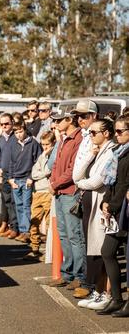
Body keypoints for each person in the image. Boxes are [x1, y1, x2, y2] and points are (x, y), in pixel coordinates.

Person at [72, 118, 116, 308]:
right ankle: (98, 291)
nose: (89, 136)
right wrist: (90, 155)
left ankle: (106, 294)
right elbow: (76, 175)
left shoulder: (111, 151)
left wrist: (80, 184)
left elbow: (97, 181)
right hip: (90, 206)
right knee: (94, 250)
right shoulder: (97, 151)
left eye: (93, 132)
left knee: (102, 252)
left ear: (106, 133)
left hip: (101, 206)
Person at [48, 112, 85, 289]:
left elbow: (73, 170)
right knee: (63, 234)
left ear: (69, 120)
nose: (55, 124)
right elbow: (55, 164)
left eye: (58, 120)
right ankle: (67, 273)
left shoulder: (79, 139)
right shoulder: (63, 139)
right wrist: (53, 182)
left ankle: (80, 275)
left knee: (75, 236)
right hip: (59, 192)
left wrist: (55, 183)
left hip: (71, 193)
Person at [97, 115, 129, 316]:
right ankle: (117, 299)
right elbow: (111, 181)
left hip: (125, 210)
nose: (116, 135)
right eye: (115, 131)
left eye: (120, 131)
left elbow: (126, 183)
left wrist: (114, 205)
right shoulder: (118, 151)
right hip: (116, 209)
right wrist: (105, 202)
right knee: (107, 252)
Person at [25, 131, 56, 261]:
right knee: (34, 221)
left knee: (49, 224)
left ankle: (50, 252)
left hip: (48, 193)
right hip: (37, 192)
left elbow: (50, 170)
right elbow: (34, 172)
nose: (44, 147)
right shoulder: (42, 155)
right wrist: (41, 174)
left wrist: (39, 174)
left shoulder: (54, 155)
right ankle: (34, 248)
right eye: (43, 144)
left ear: (53, 142)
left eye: (47, 144)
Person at [8, 122, 41, 243]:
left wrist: (31, 177)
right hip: (16, 180)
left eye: (20, 132)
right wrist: (10, 178)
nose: (19, 135)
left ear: (25, 130)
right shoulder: (14, 144)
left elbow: (37, 162)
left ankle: (27, 232)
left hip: (27, 179)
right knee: (19, 206)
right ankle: (22, 230)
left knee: (27, 206)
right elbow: (11, 162)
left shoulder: (33, 143)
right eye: (16, 133)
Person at [0, 113, 19, 239]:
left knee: (15, 202)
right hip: (4, 174)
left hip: (15, 174)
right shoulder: (1, 138)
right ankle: (11, 226)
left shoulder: (17, 136)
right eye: (2, 124)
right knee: (7, 202)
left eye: (7, 123)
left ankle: (16, 228)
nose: (4, 126)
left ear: (12, 123)